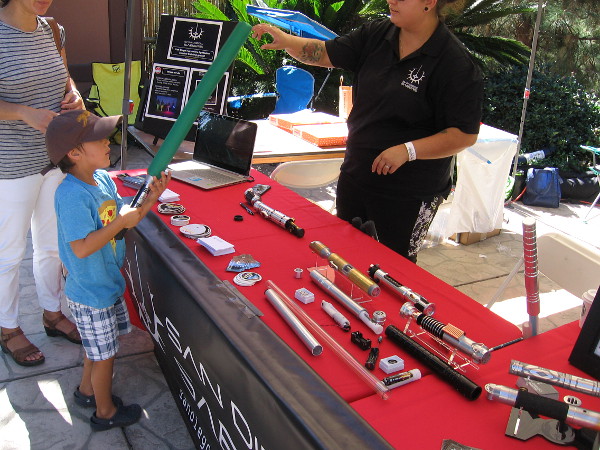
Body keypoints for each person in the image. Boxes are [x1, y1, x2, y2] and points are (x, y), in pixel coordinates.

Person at [252, 0, 483, 262]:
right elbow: (326, 53)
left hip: (410, 193)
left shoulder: (454, 63)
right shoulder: (377, 34)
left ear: (429, 2)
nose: (390, 0)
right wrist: (286, 41)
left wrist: (408, 151)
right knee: (345, 260)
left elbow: (464, 134)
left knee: (395, 270)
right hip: (357, 175)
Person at [44, 109, 171, 431]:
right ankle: (105, 413)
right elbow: (82, 247)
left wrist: (150, 199)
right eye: (98, 139)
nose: (107, 142)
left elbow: (122, 223)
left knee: (97, 349)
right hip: (90, 292)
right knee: (104, 356)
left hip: (106, 282)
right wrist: (120, 221)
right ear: (74, 153)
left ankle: (87, 391)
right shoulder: (71, 194)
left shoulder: (101, 179)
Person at [0, 0, 85, 366]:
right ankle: (7, 328)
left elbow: (64, 78)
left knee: (52, 246)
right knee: (9, 253)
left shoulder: (51, 29)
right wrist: (21, 111)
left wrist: (75, 95)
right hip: (9, 164)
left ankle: (52, 313)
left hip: (54, 158)